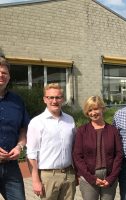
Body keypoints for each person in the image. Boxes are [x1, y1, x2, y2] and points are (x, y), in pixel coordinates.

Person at [26, 83, 76, 200]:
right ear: (45, 99)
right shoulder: (37, 122)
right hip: (48, 176)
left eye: (58, 97)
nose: (54, 101)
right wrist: (35, 180)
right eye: (50, 97)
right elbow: (32, 154)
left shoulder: (70, 120)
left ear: (62, 99)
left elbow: (75, 147)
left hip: (69, 174)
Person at [73, 95, 123, 200]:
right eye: (90, 110)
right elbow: (77, 156)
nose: (93, 113)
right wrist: (91, 178)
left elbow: (118, 155)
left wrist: (111, 178)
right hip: (88, 178)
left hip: (109, 178)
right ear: (87, 112)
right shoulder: (82, 131)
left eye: (96, 109)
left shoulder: (113, 130)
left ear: (102, 109)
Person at [0, 56, 30, 200]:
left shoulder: (17, 101)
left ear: (9, 76)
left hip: (11, 167)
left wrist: (19, 146)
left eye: (4, 73)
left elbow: (23, 128)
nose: (1, 75)